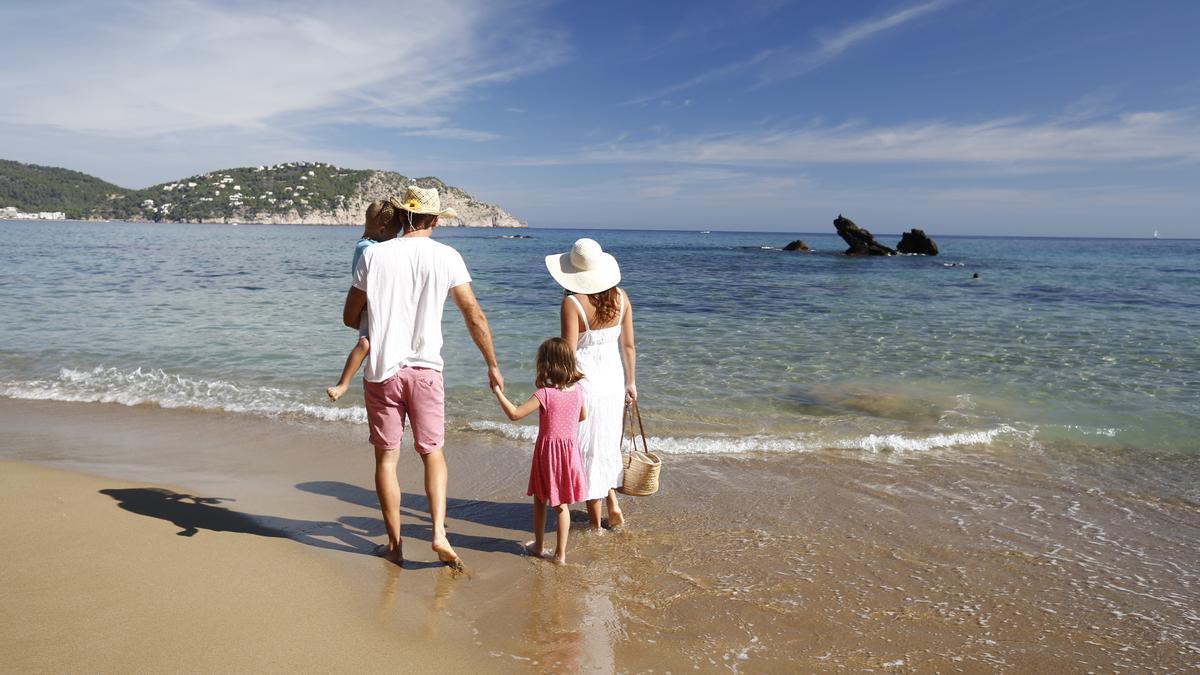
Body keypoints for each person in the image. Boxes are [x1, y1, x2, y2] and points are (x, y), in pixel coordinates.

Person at [341, 185, 504, 566]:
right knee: (433, 454)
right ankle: (439, 534)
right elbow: (473, 314)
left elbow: (351, 316)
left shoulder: (375, 255)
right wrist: (492, 363)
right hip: (427, 370)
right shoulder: (448, 257)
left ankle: (396, 545)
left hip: (382, 369)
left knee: (386, 461)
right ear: (433, 220)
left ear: (403, 217)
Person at [545, 238, 636, 531]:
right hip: (613, 383)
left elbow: (568, 354)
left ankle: (596, 525)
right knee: (606, 444)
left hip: (586, 387)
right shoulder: (621, 298)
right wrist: (631, 383)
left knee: (586, 450)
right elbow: (629, 346)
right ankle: (613, 504)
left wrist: (560, 389)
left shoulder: (572, 303)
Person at [491, 337, 588, 565]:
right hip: (569, 452)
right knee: (562, 504)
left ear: (547, 365)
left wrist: (498, 392)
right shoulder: (578, 391)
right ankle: (560, 555)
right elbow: (582, 416)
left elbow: (515, 414)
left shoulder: (545, 394)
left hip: (548, 453)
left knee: (540, 500)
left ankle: (539, 545)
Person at [326, 200, 397, 402]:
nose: (396, 239)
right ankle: (343, 384)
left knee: (375, 343)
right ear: (382, 230)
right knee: (365, 344)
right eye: (395, 234)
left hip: (375, 303)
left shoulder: (369, 242)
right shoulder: (368, 248)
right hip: (369, 304)